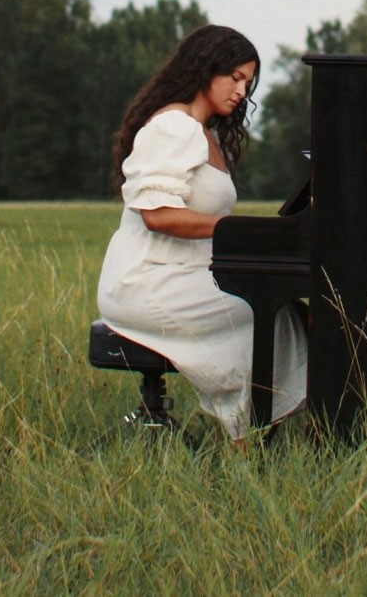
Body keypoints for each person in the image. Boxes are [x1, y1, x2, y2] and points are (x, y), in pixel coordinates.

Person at [93, 24, 306, 439]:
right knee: (264, 312)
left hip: (182, 276)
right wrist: (242, 231)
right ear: (205, 70)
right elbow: (158, 215)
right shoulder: (174, 126)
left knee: (284, 312)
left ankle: (259, 429)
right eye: (235, 78)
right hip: (148, 280)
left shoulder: (208, 135)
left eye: (248, 82)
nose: (242, 91)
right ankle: (247, 435)